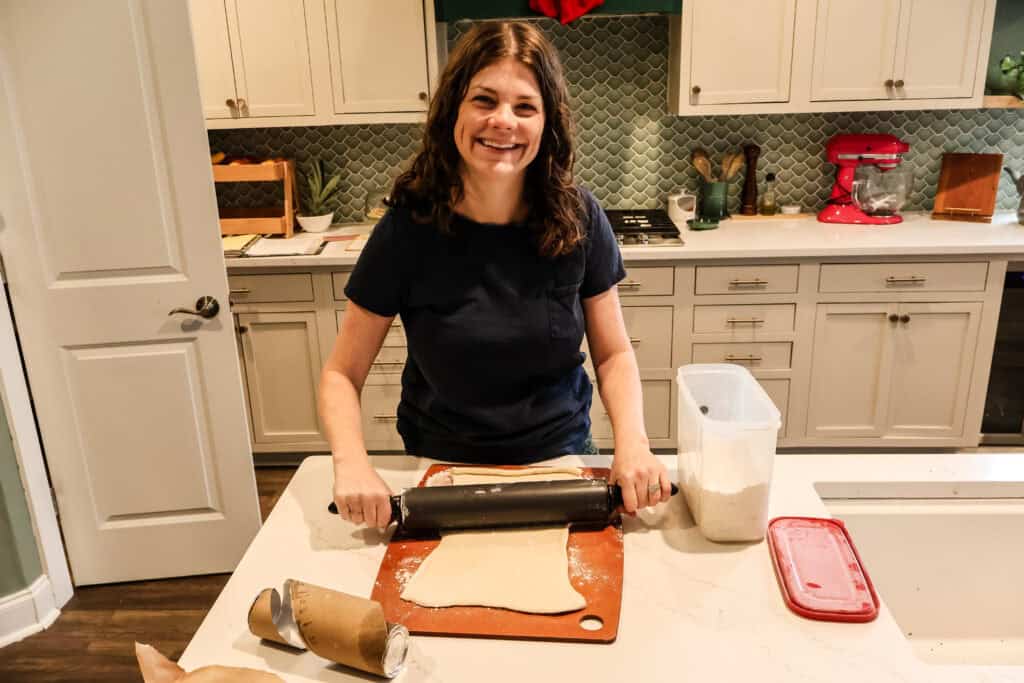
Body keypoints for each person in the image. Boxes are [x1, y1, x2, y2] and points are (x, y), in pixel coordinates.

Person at [319, 20, 670, 529]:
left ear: (547, 124)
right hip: (442, 466)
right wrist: (351, 464)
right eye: (484, 100)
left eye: (524, 106)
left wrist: (633, 444)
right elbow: (340, 374)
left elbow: (613, 353)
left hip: (561, 458)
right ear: (452, 111)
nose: (503, 121)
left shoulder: (579, 218)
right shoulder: (408, 228)